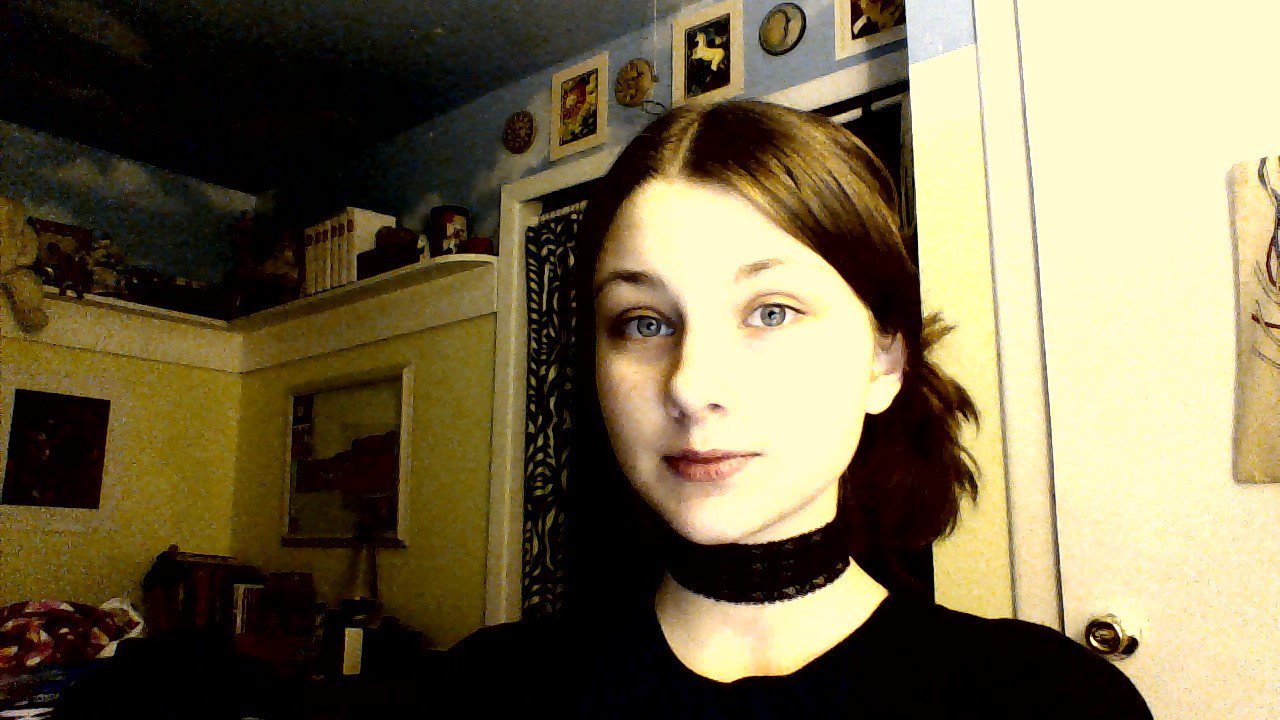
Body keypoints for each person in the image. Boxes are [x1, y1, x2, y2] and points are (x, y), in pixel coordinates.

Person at [446, 99, 1152, 719]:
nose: (690, 386)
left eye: (771, 312)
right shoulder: (483, 691)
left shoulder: (1052, 701)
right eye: (644, 322)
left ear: (885, 361)